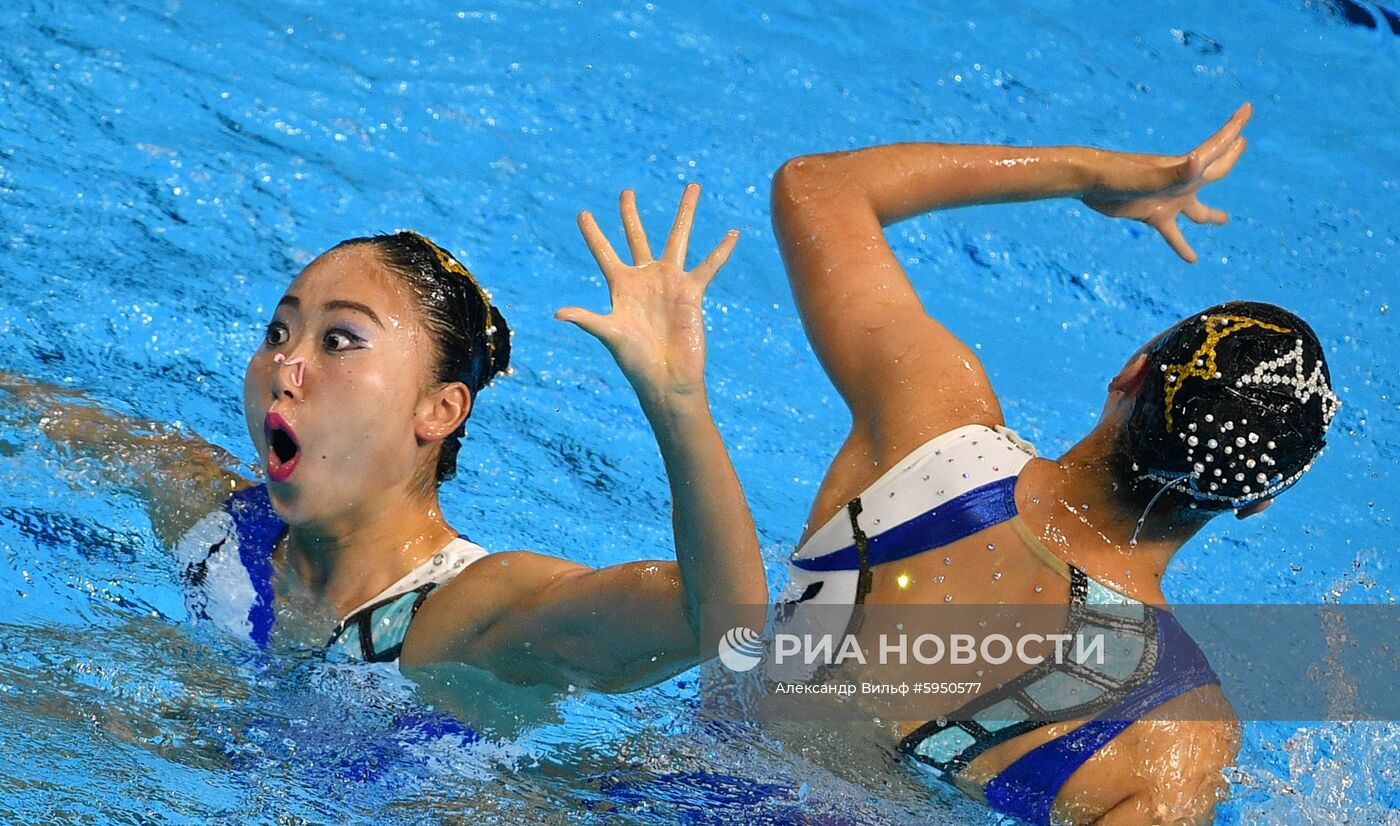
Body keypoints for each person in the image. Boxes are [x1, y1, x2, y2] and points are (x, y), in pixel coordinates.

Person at [769, 103, 1339, 825]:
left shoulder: (927, 421)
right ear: (1259, 501)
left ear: (1130, 373)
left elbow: (815, 188)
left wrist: (1089, 173)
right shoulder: (1182, 736)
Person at [6, 184, 767, 694]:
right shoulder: (218, 528)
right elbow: (38, 419)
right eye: (278, 331)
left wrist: (677, 403)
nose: (286, 364)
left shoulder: (464, 614)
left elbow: (722, 624)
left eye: (339, 340)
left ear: (437, 411)